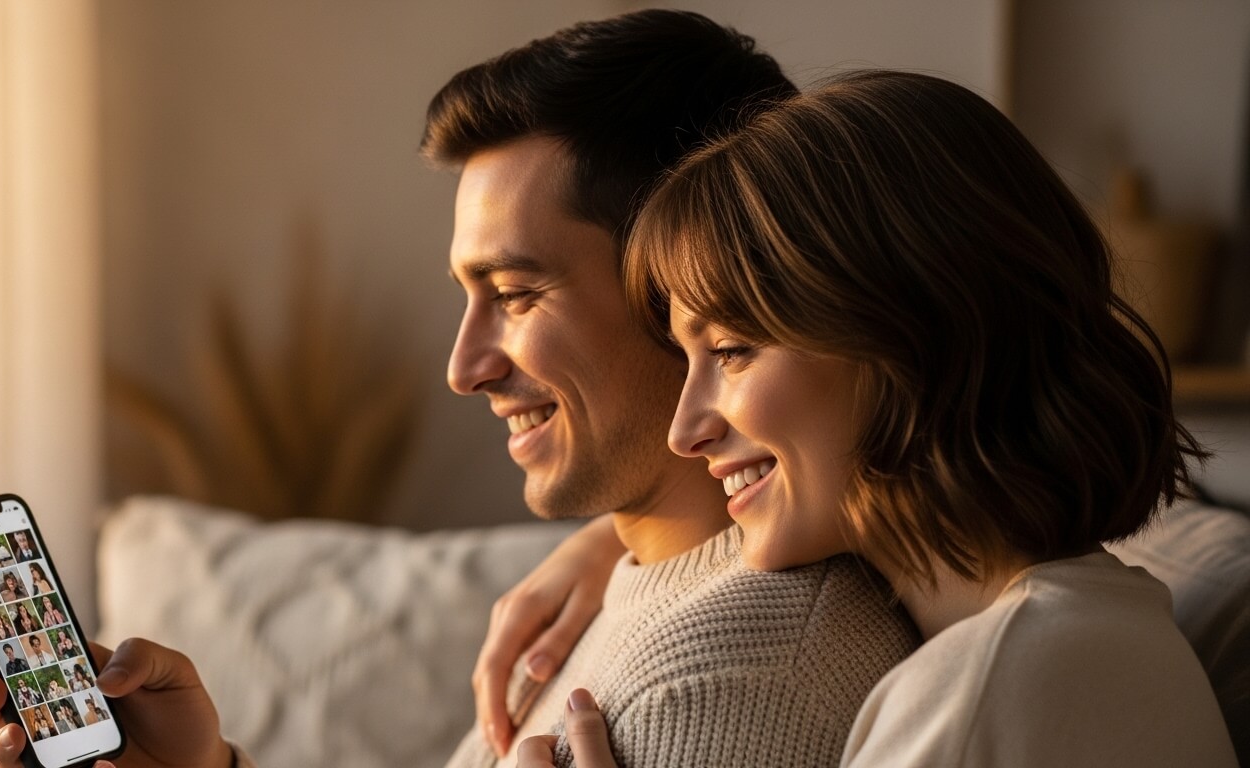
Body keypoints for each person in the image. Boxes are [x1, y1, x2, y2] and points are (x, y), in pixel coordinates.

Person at [0, 11, 920, 768]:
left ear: (687, 288)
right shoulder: (628, 595)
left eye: (513, 294)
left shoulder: (729, 672)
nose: (466, 366)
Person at [507, 71, 1238, 768]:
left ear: (907, 340)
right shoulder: (1085, 629)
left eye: (730, 351)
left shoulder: (978, 691)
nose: (685, 428)